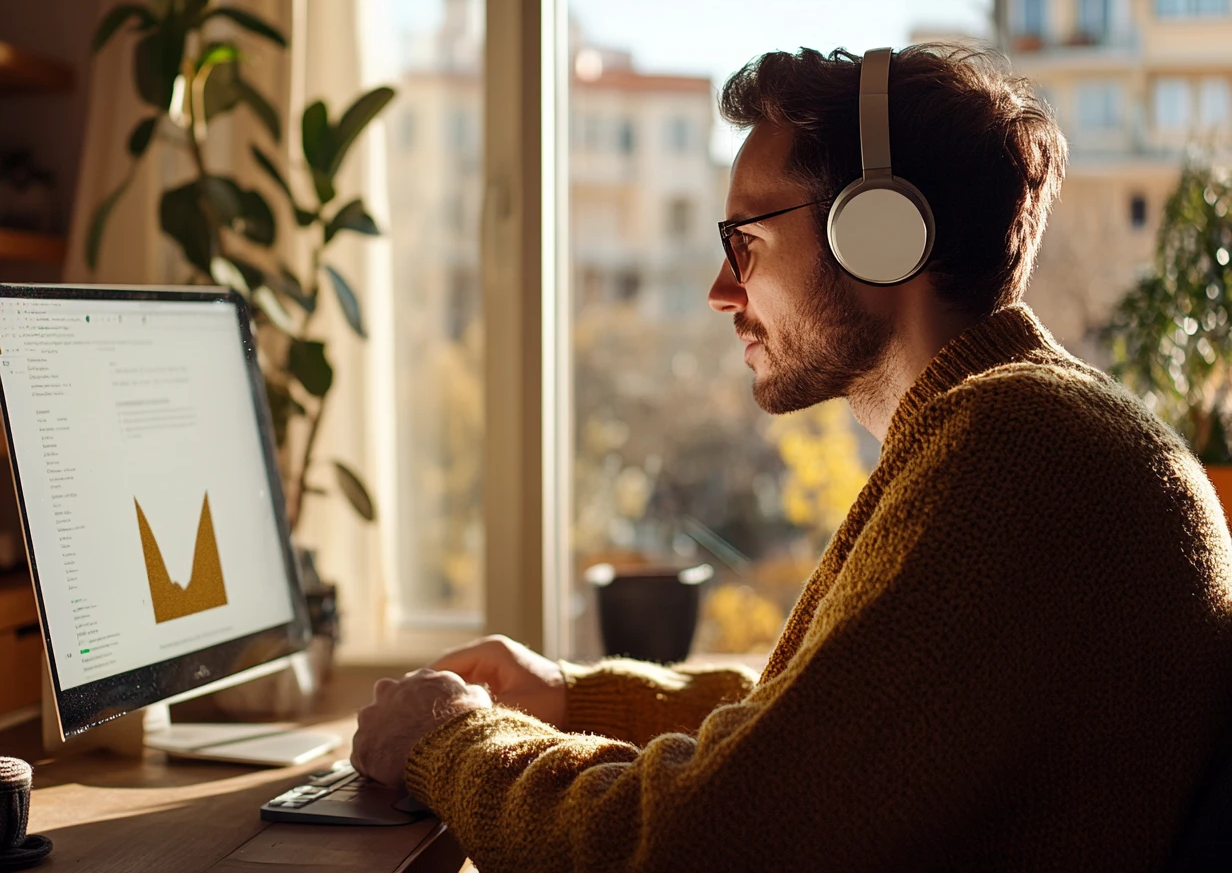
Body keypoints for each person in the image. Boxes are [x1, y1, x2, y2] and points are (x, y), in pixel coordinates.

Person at [350, 46, 1232, 871]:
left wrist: (452, 740)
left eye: (748, 242)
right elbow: (836, 727)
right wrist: (575, 699)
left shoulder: (1018, 453)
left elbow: (705, 840)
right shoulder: (1022, 427)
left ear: (878, 234)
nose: (721, 289)